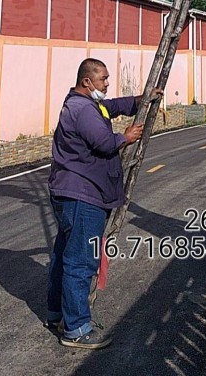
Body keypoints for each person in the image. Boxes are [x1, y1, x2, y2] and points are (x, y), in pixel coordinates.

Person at [46, 57, 162, 350]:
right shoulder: (82, 109)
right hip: (82, 195)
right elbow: (104, 143)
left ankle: (57, 314)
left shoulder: (84, 103)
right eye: (103, 80)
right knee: (81, 261)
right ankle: (77, 329)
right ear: (87, 81)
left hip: (71, 192)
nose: (107, 84)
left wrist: (140, 101)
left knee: (64, 255)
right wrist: (126, 136)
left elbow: (110, 107)